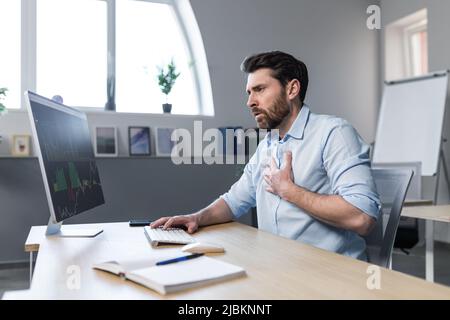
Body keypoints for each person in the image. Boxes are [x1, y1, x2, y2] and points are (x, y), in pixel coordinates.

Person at [151, 51, 380, 260]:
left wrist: (290, 191)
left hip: (334, 275)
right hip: (278, 267)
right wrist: (197, 218)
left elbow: (362, 217)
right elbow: (234, 202)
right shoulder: (267, 145)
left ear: (292, 89)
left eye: (259, 89)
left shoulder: (333, 133)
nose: (250, 101)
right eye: (249, 92)